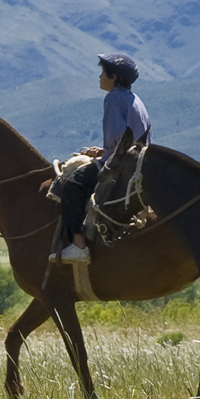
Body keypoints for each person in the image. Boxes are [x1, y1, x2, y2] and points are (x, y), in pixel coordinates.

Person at [54, 53, 151, 265]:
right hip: (138, 161)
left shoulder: (113, 98)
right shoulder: (135, 99)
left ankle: (79, 245)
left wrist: (105, 153)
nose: (99, 76)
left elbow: (117, 136)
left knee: (73, 184)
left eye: (103, 72)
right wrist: (102, 151)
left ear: (113, 76)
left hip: (122, 164)